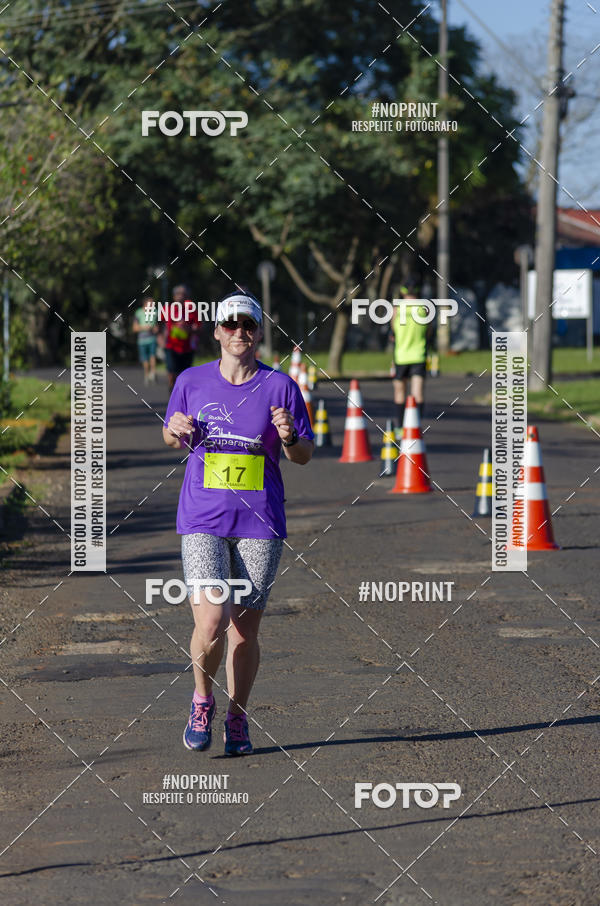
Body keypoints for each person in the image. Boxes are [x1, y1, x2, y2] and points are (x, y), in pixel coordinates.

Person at [163, 290, 314, 756]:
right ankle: (202, 701)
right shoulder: (191, 380)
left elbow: (304, 455)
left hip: (259, 522)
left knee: (245, 631)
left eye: (247, 325)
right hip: (202, 517)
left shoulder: (280, 387)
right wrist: (177, 431)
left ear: (258, 332)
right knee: (211, 619)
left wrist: (289, 436)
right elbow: (170, 432)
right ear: (217, 332)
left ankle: (238, 717)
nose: (239, 333)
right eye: (230, 324)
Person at [390, 282, 431, 428]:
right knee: (417, 392)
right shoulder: (424, 308)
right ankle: (416, 427)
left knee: (399, 392)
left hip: (401, 356)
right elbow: (428, 331)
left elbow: (393, 333)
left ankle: (401, 427)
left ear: (402, 291)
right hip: (419, 355)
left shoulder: (397, 310)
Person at [163, 285, 200, 391]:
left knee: (186, 376)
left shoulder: (192, 310)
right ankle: (172, 395)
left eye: (184, 294)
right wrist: (160, 338)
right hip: (171, 346)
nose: (181, 296)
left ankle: (183, 397)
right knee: (172, 374)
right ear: (174, 297)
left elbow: (199, 328)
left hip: (187, 347)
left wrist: (190, 329)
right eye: (178, 294)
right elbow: (160, 325)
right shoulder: (167, 309)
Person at [133, 296, 159, 384]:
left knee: (153, 356)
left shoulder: (155, 312)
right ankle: (146, 375)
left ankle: (153, 373)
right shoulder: (138, 313)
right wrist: (144, 327)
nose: (152, 305)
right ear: (145, 304)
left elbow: (158, 325)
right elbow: (135, 328)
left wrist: (156, 328)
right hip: (142, 340)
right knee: (145, 359)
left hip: (152, 338)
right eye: (150, 303)